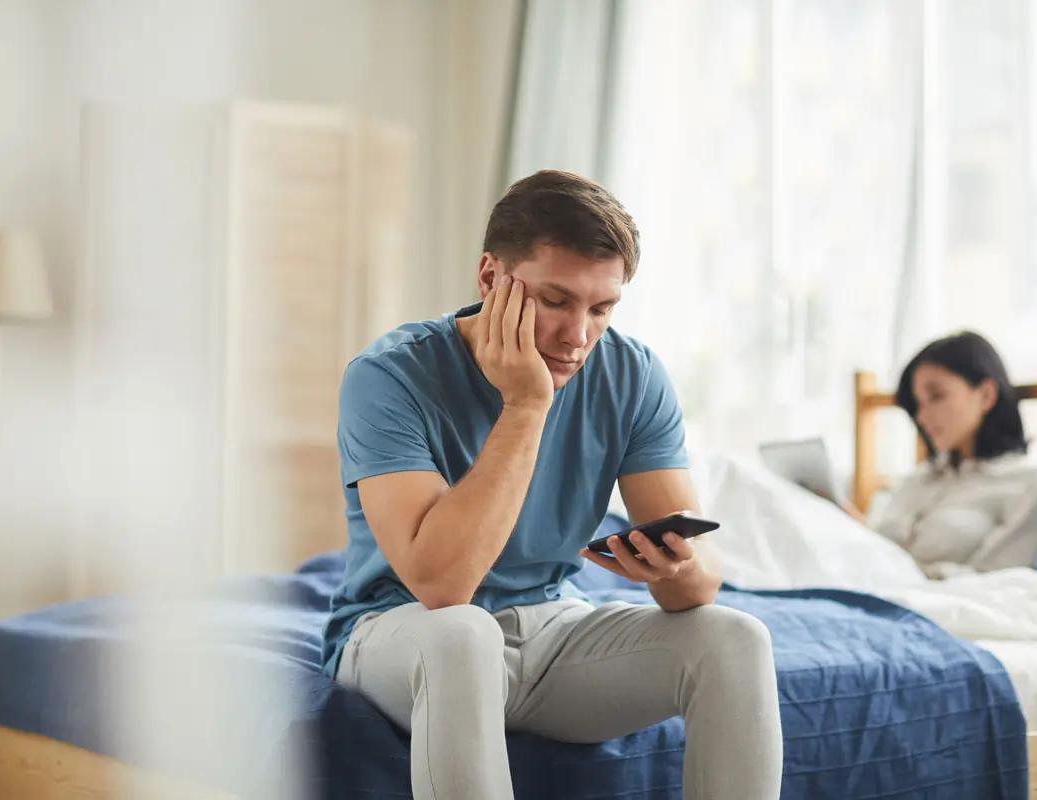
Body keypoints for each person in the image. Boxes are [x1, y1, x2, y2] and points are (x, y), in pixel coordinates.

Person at [322, 170, 783, 800]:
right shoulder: (389, 377)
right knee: (463, 634)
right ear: (491, 279)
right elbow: (441, 586)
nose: (578, 336)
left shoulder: (632, 373)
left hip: (550, 629)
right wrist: (526, 406)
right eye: (555, 301)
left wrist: (670, 567)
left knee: (735, 638)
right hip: (405, 632)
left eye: (601, 308)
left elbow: (696, 587)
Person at [849, 332, 1037, 579]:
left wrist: (904, 573)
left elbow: (997, 580)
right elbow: (876, 547)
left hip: (921, 595)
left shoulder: (1033, 484)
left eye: (936, 397)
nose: (922, 417)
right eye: (917, 404)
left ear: (986, 395)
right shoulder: (921, 477)